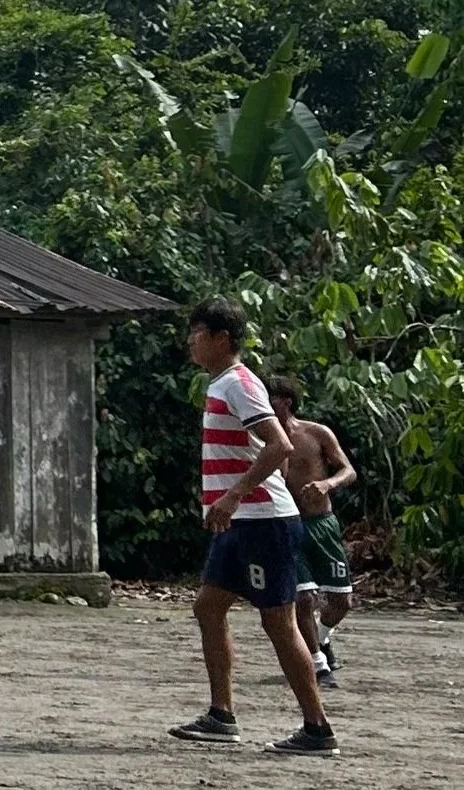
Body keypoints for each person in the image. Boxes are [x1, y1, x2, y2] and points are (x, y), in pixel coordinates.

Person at [168, 299, 337, 757]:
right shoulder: (223, 384)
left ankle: (317, 728)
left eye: (198, 332)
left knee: (278, 622)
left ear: (222, 338)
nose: (191, 341)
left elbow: (278, 445)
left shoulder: (240, 383)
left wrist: (233, 493)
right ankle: (221, 715)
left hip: (263, 521)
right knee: (208, 606)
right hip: (240, 523)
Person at [268, 375, 358, 689]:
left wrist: (327, 484)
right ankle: (318, 664)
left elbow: (348, 469)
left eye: (271, 398)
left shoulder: (316, 433)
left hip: (322, 524)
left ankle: (321, 638)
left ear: (286, 402)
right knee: (303, 596)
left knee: (341, 600)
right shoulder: (262, 438)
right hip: (288, 524)